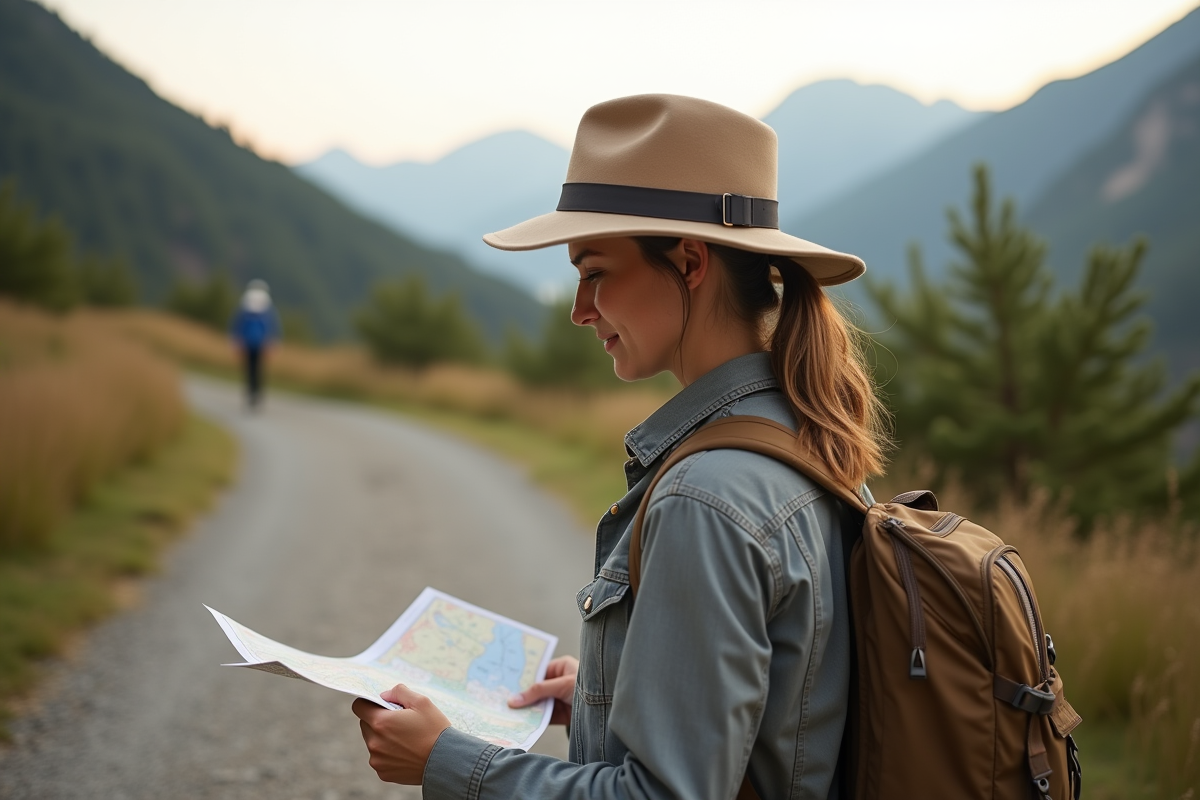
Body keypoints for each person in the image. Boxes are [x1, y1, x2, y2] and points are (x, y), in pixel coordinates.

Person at [352, 94, 889, 799]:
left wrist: (446, 761)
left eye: (595, 271)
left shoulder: (708, 497)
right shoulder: (807, 446)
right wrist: (610, 700)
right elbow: (789, 716)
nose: (579, 310)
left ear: (690, 262)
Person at [230, 279, 280, 408]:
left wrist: (236, 341)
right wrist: (273, 343)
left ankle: (253, 392)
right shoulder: (266, 308)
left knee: (251, 369)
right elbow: (273, 326)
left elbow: (237, 324)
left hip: (250, 343)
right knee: (256, 369)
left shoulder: (246, 305)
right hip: (258, 344)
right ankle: (255, 392)